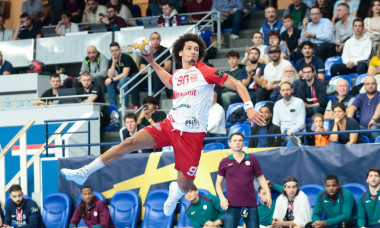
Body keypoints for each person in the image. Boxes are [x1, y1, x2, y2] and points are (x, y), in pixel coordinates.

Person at [61, 33, 266, 217]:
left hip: (192, 136)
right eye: (189, 48)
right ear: (180, 52)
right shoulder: (178, 75)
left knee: (185, 186)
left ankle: (175, 193)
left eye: (196, 49)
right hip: (170, 125)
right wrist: (151, 60)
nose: (193, 52)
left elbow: (238, 84)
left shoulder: (205, 71)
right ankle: (85, 171)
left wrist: (249, 107)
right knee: (130, 142)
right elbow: (169, 82)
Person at [216, 132, 272, 227]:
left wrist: (268, 193)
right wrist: (222, 198)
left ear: (243, 143)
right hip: (231, 205)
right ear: (230, 144)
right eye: (235, 140)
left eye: (240, 140)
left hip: (249, 205)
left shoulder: (252, 160)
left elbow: (261, 178)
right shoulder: (224, 162)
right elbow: (218, 183)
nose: (237, 143)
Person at [105, 42, 140, 109]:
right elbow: (110, 76)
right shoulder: (112, 60)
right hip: (122, 80)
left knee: (122, 80)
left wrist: (111, 79)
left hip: (132, 80)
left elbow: (125, 74)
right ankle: (114, 107)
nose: (114, 52)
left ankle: (125, 105)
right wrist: (113, 63)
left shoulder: (126, 58)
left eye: (116, 50)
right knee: (109, 84)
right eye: (112, 51)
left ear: (120, 50)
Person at [139, 32, 172, 103]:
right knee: (134, 78)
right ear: (150, 41)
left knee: (157, 74)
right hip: (148, 78)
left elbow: (168, 68)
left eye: (157, 39)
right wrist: (154, 69)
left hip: (162, 78)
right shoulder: (146, 51)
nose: (155, 41)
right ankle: (136, 104)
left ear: (160, 40)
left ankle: (155, 103)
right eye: (153, 39)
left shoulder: (165, 51)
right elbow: (142, 70)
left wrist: (153, 70)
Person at [347, 76, 380, 141]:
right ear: (364, 85)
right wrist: (349, 122)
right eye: (367, 84)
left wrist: (373, 119)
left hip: (378, 127)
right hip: (364, 128)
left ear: (376, 85)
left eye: (373, 83)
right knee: (353, 129)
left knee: (373, 128)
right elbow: (352, 108)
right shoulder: (361, 96)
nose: (370, 86)